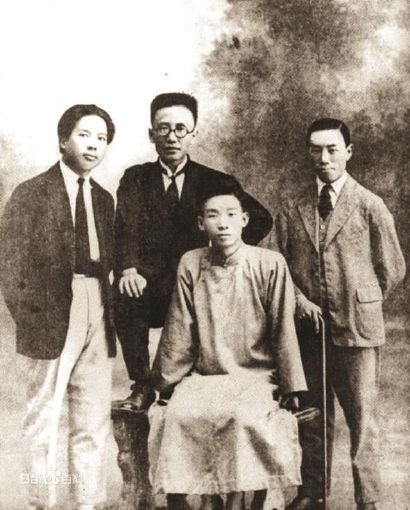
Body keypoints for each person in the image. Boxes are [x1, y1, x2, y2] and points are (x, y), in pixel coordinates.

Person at [148, 179, 307, 510]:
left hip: (255, 376)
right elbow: (180, 327)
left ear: (244, 220)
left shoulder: (270, 263)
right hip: (205, 376)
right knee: (180, 413)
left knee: (240, 416)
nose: (223, 223)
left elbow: (283, 327)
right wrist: (163, 383)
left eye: (231, 215)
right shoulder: (191, 262)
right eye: (213, 215)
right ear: (200, 223)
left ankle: (236, 499)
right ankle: (206, 499)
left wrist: (291, 385)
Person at [275, 118, 406, 510]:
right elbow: (277, 264)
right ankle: (313, 492)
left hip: (357, 330)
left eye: (332, 149)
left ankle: (369, 499)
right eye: (316, 149)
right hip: (307, 329)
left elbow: (392, 268)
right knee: (312, 415)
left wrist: (360, 300)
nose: (324, 158)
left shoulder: (369, 204)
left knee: (362, 419)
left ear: (348, 152)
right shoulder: (293, 206)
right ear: (308, 153)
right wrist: (299, 300)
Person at [114, 92, 273, 410]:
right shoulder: (136, 178)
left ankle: (183, 382)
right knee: (124, 294)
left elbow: (260, 219)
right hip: (152, 283)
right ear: (151, 134)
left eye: (180, 129)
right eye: (163, 128)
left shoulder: (215, 181)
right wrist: (129, 269)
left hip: (201, 280)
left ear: (193, 134)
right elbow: (123, 229)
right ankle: (143, 385)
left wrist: (221, 253)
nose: (172, 137)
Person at [0, 104, 117, 510]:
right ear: (63, 140)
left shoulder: (103, 198)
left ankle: (87, 503)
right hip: (50, 309)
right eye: (85, 135)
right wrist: (32, 318)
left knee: (92, 419)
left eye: (102, 138)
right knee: (45, 418)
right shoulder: (31, 193)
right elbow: (9, 264)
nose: (94, 145)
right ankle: (42, 503)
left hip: (97, 303)